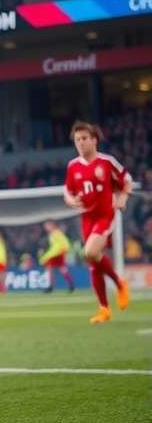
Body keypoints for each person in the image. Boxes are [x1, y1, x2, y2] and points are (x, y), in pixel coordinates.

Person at [63, 121, 132, 324]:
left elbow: (126, 179)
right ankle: (104, 309)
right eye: (77, 140)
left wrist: (122, 198)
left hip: (105, 215)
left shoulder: (106, 162)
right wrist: (71, 200)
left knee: (90, 253)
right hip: (87, 219)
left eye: (84, 139)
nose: (81, 143)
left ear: (94, 140)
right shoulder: (73, 166)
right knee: (94, 264)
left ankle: (119, 283)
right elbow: (68, 190)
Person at [38, 221, 74, 293]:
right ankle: (71, 285)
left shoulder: (55, 233)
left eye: (47, 225)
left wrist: (47, 256)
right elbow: (64, 243)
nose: (46, 228)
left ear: (53, 225)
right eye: (45, 226)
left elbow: (62, 244)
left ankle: (51, 287)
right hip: (58, 253)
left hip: (56, 254)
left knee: (50, 268)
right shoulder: (55, 233)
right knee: (61, 269)